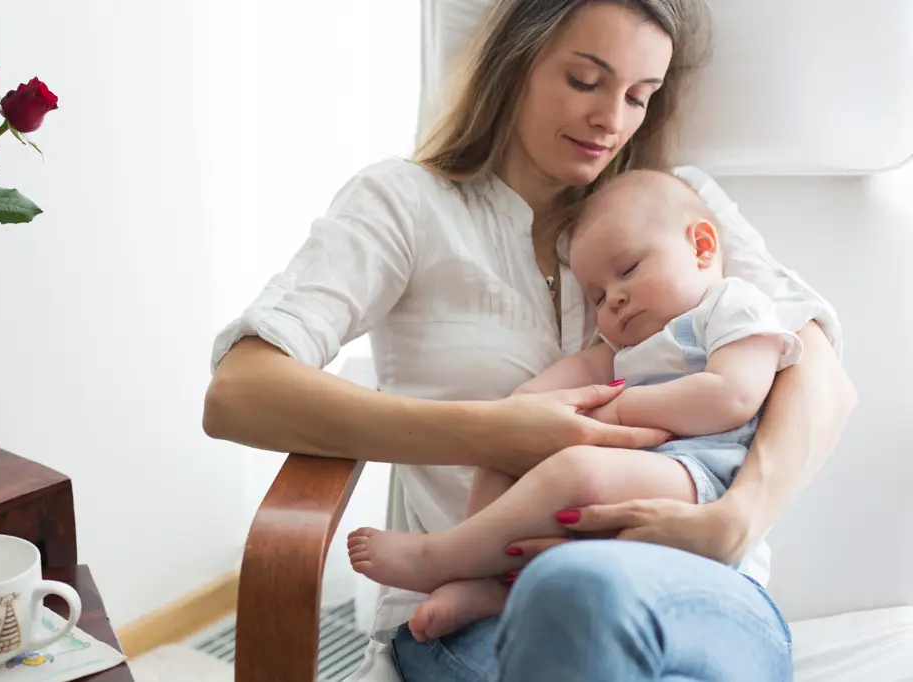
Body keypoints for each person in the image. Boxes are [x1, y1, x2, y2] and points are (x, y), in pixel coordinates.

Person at [203, 0, 857, 679]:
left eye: (639, 96)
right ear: (514, 63)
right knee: (573, 593)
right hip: (479, 614)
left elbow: (821, 376)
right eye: (584, 81)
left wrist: (738, 517)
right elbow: (240, 393)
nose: (612, 121)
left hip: (699, 589)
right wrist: (489, 432)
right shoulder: (405, 204)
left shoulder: (672, 203)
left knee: (594, 598)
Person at [345, 167, 805, 644]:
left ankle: (439, 558)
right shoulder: (624, 348)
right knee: (505, 447)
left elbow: (732, 396)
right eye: (599, 297)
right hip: (625, 486)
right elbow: (554, 387)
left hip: (701, 479)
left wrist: (624, 408)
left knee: (578, 472)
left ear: (702, 247)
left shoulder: (731, 306)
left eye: (628, 270)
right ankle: (490, 578)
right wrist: (515, 414)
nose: (616, 299)